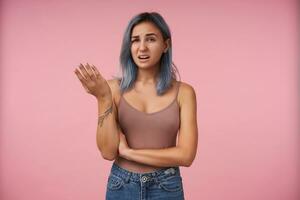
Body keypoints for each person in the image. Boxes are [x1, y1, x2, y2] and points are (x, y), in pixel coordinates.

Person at [74, 12, 198, 200]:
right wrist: (103, 98)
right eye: (135, 40)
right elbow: (108, 152)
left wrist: (129, 153)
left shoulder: (184, 93)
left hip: (166, 187)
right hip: (121, 185)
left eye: (150, 39)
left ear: (166, 45)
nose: (142, 48)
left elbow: (186, 155)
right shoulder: (112, 89)